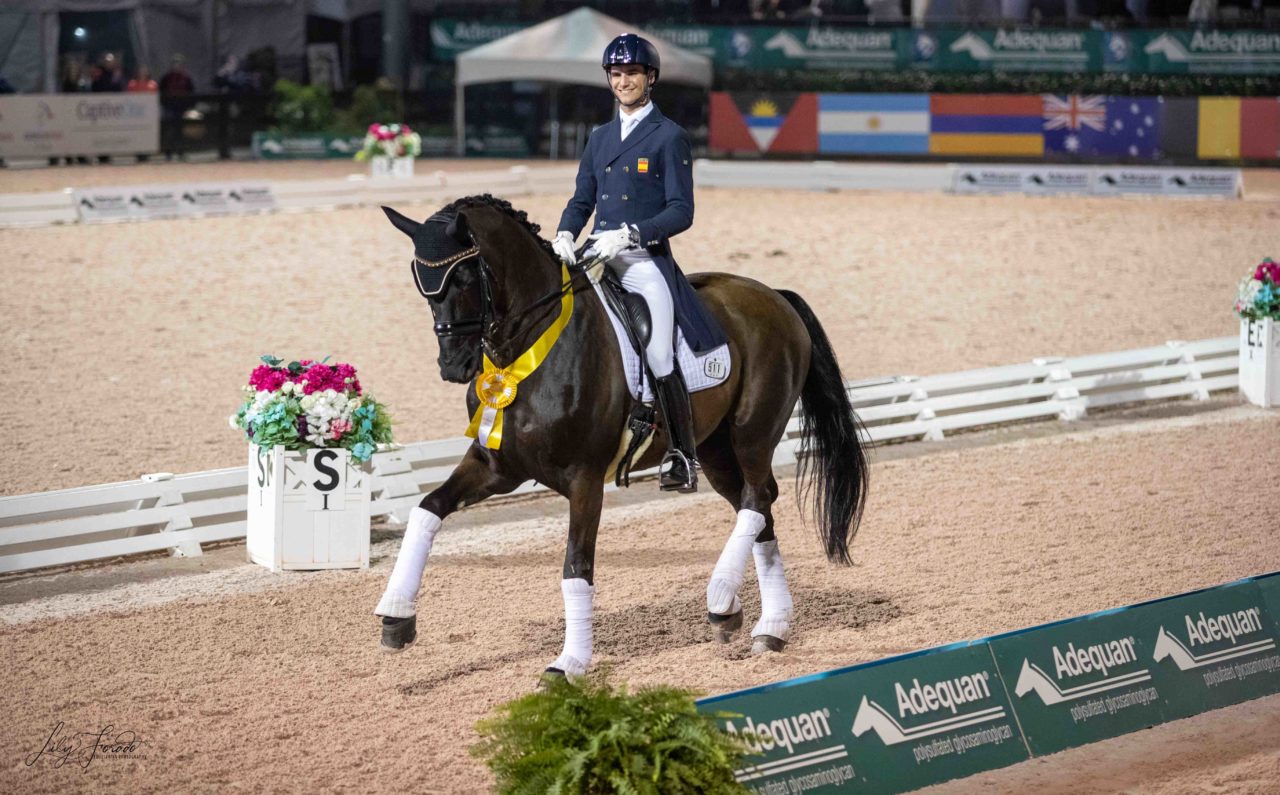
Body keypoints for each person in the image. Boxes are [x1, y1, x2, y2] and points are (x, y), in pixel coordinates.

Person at [553, 33, 726, 494]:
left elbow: (680, 211)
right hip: (595, 254)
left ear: (650, 77)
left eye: (632, 73)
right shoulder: (600, 137)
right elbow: (582, 197)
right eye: (616, 74)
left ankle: (682, 455)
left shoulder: (669, 136)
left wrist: (631, 234)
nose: (624, 80)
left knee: (658, 352)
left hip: (641, 258)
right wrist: (567, 231)